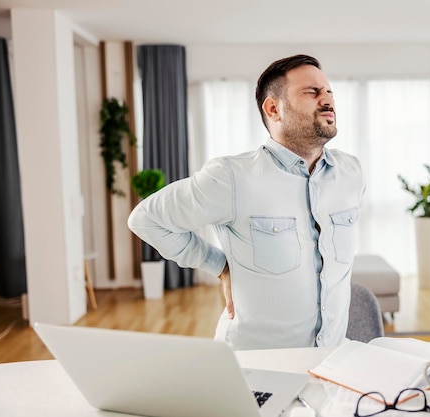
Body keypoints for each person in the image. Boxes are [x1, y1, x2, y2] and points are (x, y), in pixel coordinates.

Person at [128, 54, 365, 350]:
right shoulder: (231, 177)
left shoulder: (351, 173)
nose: (327, 100)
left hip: (329, 364)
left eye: (329, 92)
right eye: (312, 92)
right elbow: (146, 219)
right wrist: (219, 265)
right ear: (273, 108)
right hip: (255, 368)